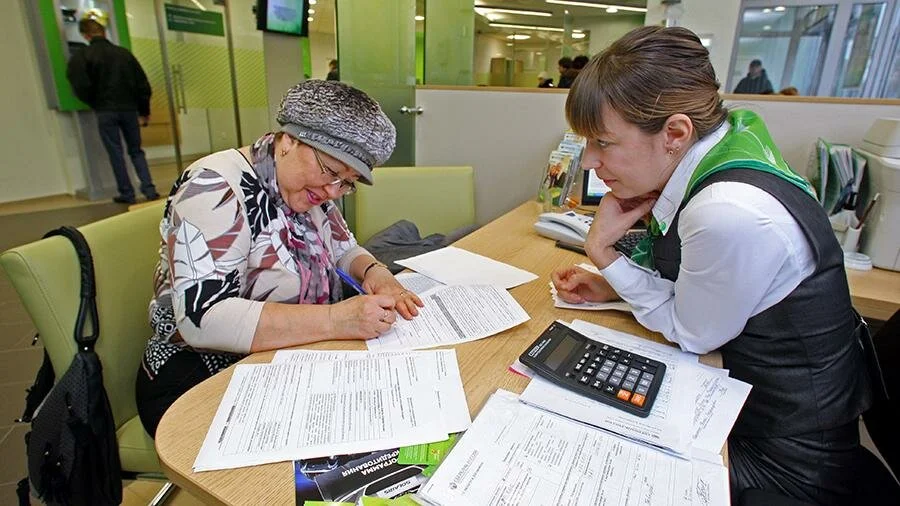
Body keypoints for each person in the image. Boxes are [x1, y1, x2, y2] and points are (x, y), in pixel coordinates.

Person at [552, 26, 871, 505]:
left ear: (675, 133)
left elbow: (693, 333)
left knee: (583, 459)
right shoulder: (730, 140)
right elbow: (711, 293)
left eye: (603, 142)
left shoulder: (725, 211)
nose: (590, 162)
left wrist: (603, 250)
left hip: (787, 461)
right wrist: (617, 287)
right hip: (766, 417)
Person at [135, 80, 425, 437]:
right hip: (199, 379)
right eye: (332, 172)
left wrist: (375, 272)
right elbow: (203, 319)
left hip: (284, 359)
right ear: (287, 141)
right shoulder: (213, 187)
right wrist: (337, 320)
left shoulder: (307, 190)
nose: (333, 191)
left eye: (347, 183)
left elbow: (344, 249)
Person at [66, 14, 159, 204]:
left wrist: (94, 102)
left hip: (105, 110)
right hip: (129, 109)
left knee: (116, 153)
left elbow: (80, 84)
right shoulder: (124, 54)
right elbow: (142, 85)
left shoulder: (82, 56)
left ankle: (127, 193)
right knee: (136, 150)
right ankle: (149, 189)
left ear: (85, 35)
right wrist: (144, 111)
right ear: (104, 32)